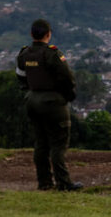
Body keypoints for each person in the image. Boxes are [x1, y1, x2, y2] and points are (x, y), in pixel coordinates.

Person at [16, 19, 83, 191]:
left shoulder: (24, 54)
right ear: (48, 34)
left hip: (32, 101)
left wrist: (29, 91)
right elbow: (67, 78)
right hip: (52, 102)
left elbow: (21, 76)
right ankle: (63, 182)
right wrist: (67, 96)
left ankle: (44, 182)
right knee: (58, 144)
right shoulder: (52, 54)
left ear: (32, 34)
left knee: (41, 143)